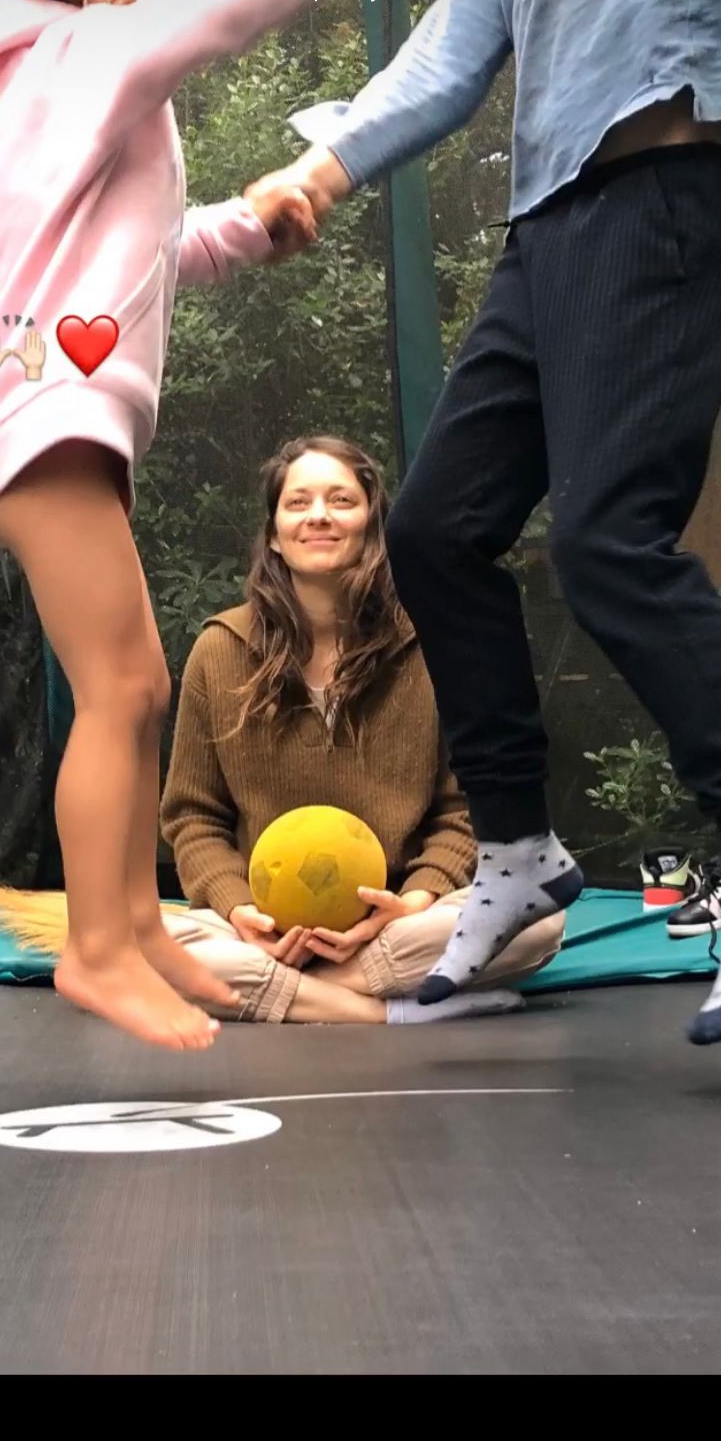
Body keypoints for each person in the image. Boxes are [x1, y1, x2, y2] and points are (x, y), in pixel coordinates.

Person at [0, 0, 442, 1053]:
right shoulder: (70, 47)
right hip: (40, 413)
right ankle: (100, 949)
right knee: (122, 692)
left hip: (56, 411)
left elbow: (152, 246)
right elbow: (222, 3)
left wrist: (253, 227)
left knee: (135, 691)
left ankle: (137, 926)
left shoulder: (64, 82)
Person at [246, 0, 721, 1044]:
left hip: (671, 188)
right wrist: (320, 171)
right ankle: (517, 848)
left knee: (608, 540)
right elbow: (445, 60)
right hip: (548, 227)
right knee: (431, 530)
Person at [159, 436, 564, 1024]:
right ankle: (387, 1012)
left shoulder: (432, 644)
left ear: (373, 523)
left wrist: (414, 899)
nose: (319, 515)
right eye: (298, 503)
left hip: (398, 923)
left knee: (540, 915)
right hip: (260, 930)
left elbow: (467, 808)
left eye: (341, 500)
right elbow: (192, 818)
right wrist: (239, 909)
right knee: (131, 944)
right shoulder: (218, 650)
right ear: (273, 533)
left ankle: (310, 992)